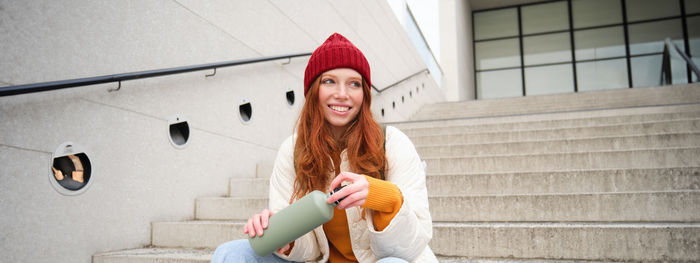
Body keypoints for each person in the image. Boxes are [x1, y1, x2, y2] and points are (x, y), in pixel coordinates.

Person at [211, 33, 437, 263]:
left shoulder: (392, 143)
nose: (342, 94)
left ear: (365, 94)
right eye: (329, 81)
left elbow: (412, 246)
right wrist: (284, 240)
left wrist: (386, 198)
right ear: (313, 91)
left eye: (354, 84)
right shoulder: (292, 150)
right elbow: (308, 249)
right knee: (232, 254)